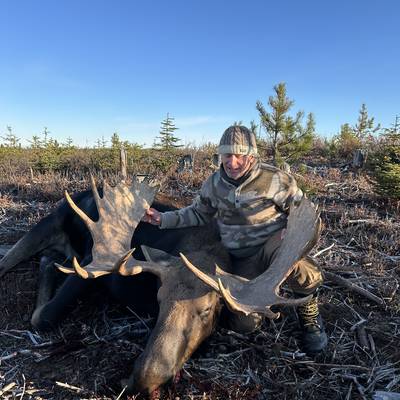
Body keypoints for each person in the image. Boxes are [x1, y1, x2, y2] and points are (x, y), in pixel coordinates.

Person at [143, 125, 328, 354]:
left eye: (240, 155)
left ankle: (309, 315)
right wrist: (162, 219)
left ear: (252, 155)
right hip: (240, 259)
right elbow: (197, 213)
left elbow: (305, 213)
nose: (232, 162)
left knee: (303, 270)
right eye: (227, 155)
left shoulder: (276, 180)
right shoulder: (214, 184)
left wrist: (292, 231)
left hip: (272, 246)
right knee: (244, 325)